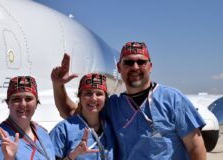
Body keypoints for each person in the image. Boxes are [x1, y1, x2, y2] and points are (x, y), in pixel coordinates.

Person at [52, 42, 207, 160]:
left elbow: (195, 146)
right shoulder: (113, 105)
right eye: (128, 62)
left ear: (150, 66)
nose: (135, 67)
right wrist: (58, 85)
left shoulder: (172, 99)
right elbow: (72, 113)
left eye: (141, 62)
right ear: (119, 67)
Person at [0, 76, 55, 160]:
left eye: (28, 99)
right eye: (17, 99)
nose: (23, 104)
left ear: (36, 103)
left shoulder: (43, 134)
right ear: (8, 103)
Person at [49, 73, 115, 160]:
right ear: (79, 96)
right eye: (88, 93)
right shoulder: (62, 130)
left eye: (99, 94)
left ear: (105, 98)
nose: (94, 98)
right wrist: (72, 156)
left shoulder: (111, 128)